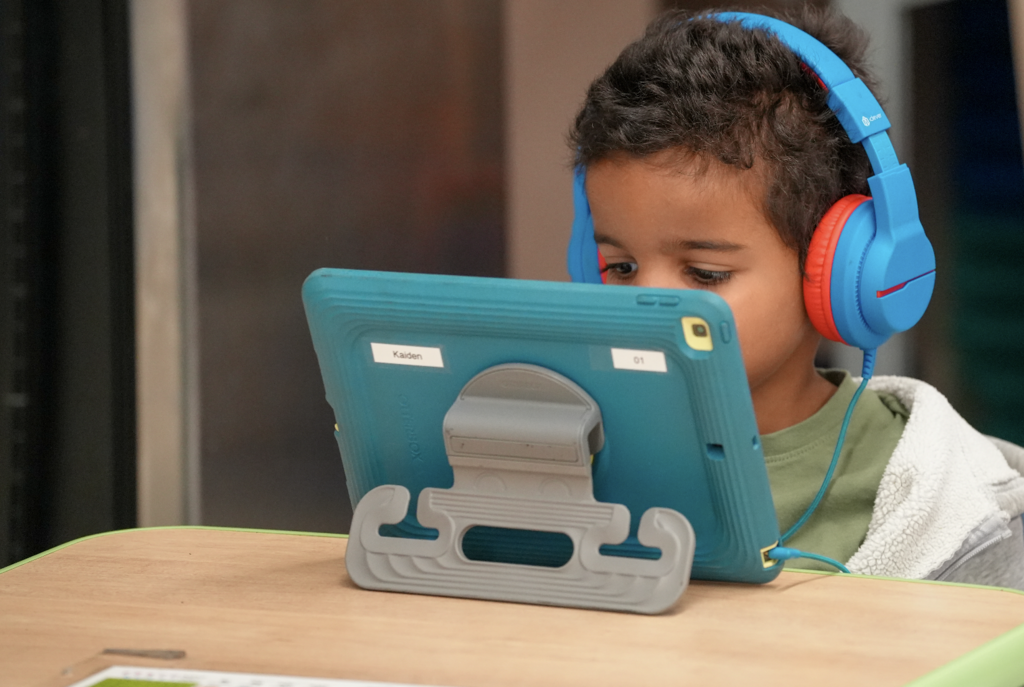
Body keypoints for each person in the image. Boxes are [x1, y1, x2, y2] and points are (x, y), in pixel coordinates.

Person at [568, 6, 1024, 587]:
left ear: (837, 272)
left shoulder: (953, 501)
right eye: (621, 266)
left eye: (705, 274)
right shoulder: (576, 453)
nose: (648, 305)